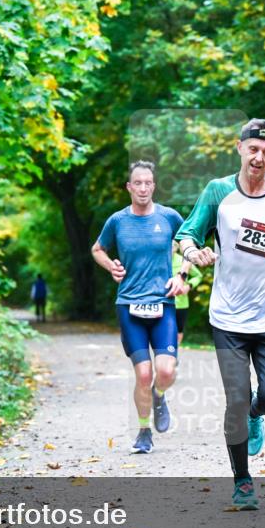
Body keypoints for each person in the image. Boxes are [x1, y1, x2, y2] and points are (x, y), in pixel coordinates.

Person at [175, 119, 265, 510]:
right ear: (239, 148)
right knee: (234, 400)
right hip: (229, 319)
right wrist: (192, 253)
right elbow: (187, 234)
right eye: (253, 149)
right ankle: (243, 480)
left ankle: (257, 412)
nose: (259, 157)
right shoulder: (218, 191)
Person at [92, 160, 191, 454]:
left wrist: (181, 274)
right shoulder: (117, 221)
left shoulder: (169, 217)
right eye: (138, 183)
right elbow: (97, 249)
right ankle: (144, 431)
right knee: (144, 374)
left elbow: (190, 242)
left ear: (154, 186)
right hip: (129, 305)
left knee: (166, 371)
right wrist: (111, 266)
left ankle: (159, 396)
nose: (144, 188)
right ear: (129, 187)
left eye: (149, 183)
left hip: (163, 304)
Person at [171, 241, 203, 346]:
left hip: (181, 302)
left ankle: (175, 351)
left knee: (179, 329)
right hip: (162, 301)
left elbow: (198, 275)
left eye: (172, 247)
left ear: (176, 248)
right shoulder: (158, 260)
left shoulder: (183, 261)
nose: (170, 249)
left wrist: (188, 286)